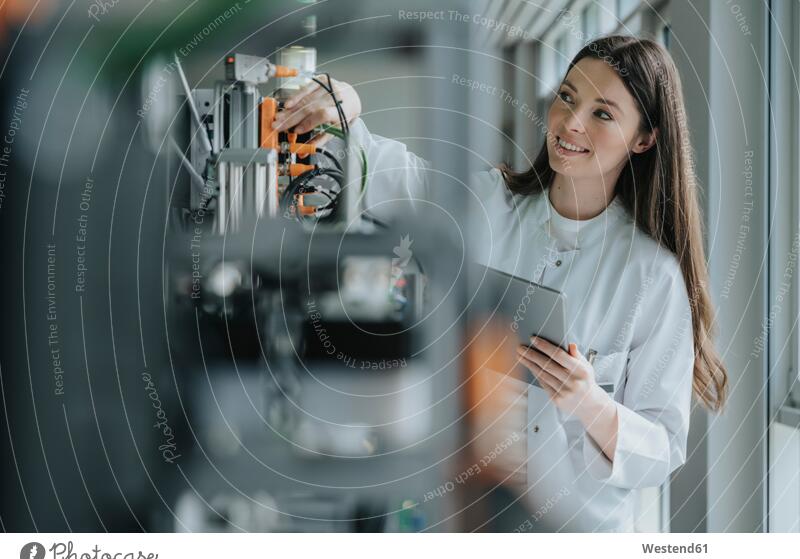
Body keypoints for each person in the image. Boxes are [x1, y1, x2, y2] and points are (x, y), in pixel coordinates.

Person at [272, 35, 729, 532]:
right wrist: (348, 108)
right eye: (568, 96)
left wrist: (587, 400)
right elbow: (397, 177)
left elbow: (661, 449)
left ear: (644, 139)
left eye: (603, 114)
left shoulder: (652, 277)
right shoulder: (489, 204)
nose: (570, 122)